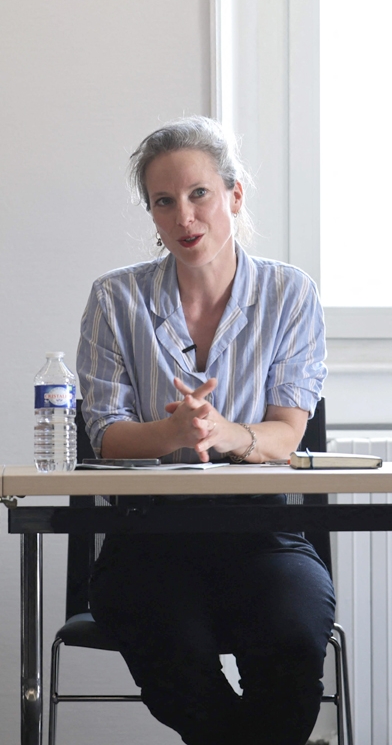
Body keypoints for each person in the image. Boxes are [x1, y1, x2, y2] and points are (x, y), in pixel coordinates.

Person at [77, 116, 335, 745]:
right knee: (176, 657)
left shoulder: (290, 293)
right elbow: (105, 436)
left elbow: (286, 435)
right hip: (147, 536)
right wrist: (173, 433)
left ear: (234, 196)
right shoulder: (115, 298)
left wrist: (225, 433)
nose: (185, 217)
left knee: (292, 643)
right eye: (164, 202)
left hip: (263, 531)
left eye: (199, 195)